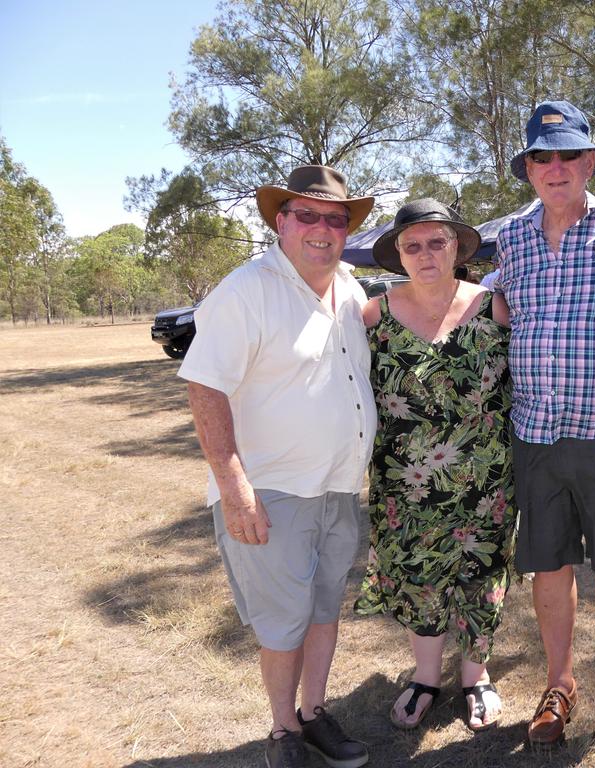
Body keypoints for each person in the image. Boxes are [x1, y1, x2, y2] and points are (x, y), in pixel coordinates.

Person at [179, 165, 376, 768]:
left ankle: (314, 713)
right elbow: (205, 388)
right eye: (307, 215)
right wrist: (234, 488)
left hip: (339, 486)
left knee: (322, 610)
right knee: (283, 621)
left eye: (335, 218)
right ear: (281, 221)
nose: (322, 227)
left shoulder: (350, 287)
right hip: (271, 490)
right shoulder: (245, 290)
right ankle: (282, 729)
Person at [492, 100, 595, 763]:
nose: (555, 168)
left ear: (590, 161)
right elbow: (476, 301)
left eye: (568, 156)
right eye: (542, 157)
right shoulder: (507, 239)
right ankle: (559, 686)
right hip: (533, 432)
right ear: (528, 168)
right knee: (548, 566)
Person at [354, 199, 516, 733]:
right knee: (420, 577)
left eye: (437, 242)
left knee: (482, 574)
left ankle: (476, 677)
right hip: (406, 482)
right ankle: (425, 678)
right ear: (398, 253)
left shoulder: (495, 306)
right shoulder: (372, 314)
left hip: (486, 478)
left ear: (457, 247)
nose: (425, 253)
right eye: (412, 245)